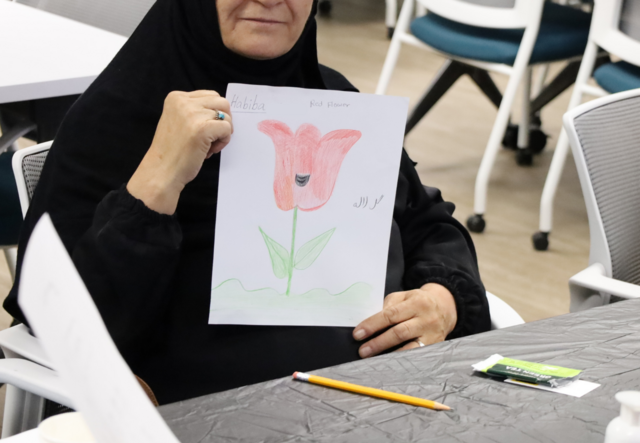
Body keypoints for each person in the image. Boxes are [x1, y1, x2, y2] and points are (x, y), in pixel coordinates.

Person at [4, 0, 490, 405]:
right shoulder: (116, 120)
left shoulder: (332, 99)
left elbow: (428, 224)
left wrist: (441, 299)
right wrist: (155, 183)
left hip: (387, 401)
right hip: (211, 412)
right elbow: (59, 313)